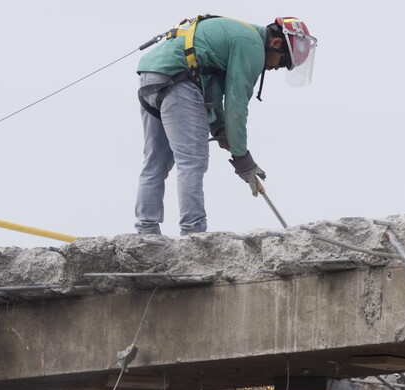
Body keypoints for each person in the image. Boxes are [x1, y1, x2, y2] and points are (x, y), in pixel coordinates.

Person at [134, 16, 317, 235]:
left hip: (151, 77)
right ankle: (194, 234)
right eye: (283, 61)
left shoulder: (239, 36)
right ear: (276, 44)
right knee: (192, 160)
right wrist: (242, 158)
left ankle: (146, 232)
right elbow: (236, 104)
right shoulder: (252, 46)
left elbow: (215, 93)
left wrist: (220, 130)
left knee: (155, 161)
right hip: (179, 81)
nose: (278, 68)